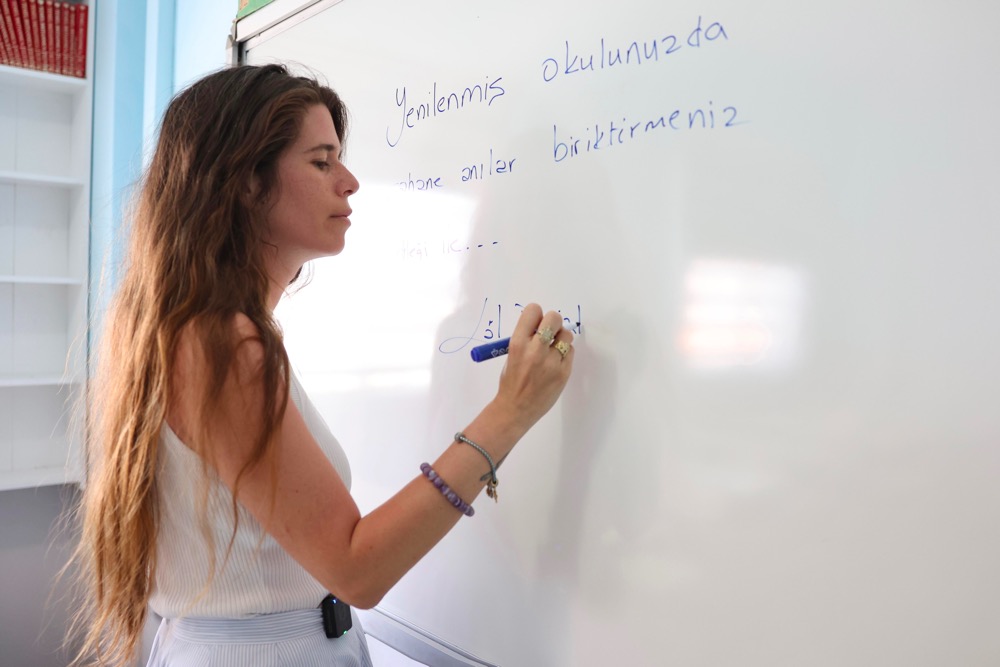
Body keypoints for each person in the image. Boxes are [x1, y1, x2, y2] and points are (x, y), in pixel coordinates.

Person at [69, 63, 574, 666]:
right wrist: (511, 412)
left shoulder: (196, 329)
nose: (351, 181)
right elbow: (357, 569)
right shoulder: (222, 343)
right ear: (246, 182)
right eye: (321, 161)